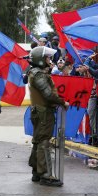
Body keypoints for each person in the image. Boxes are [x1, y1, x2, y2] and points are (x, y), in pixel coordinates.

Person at [26, 46, 69, 187]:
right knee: (44, 141)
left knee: (38, 140)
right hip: (43, 112)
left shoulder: (35, 73)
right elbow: (48, 95)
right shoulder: (39, 75)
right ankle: (45, 174)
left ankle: (36, 171)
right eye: (47, 58)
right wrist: (63, 102)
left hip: (39, 111)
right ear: (40, 60)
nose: (50, 60)